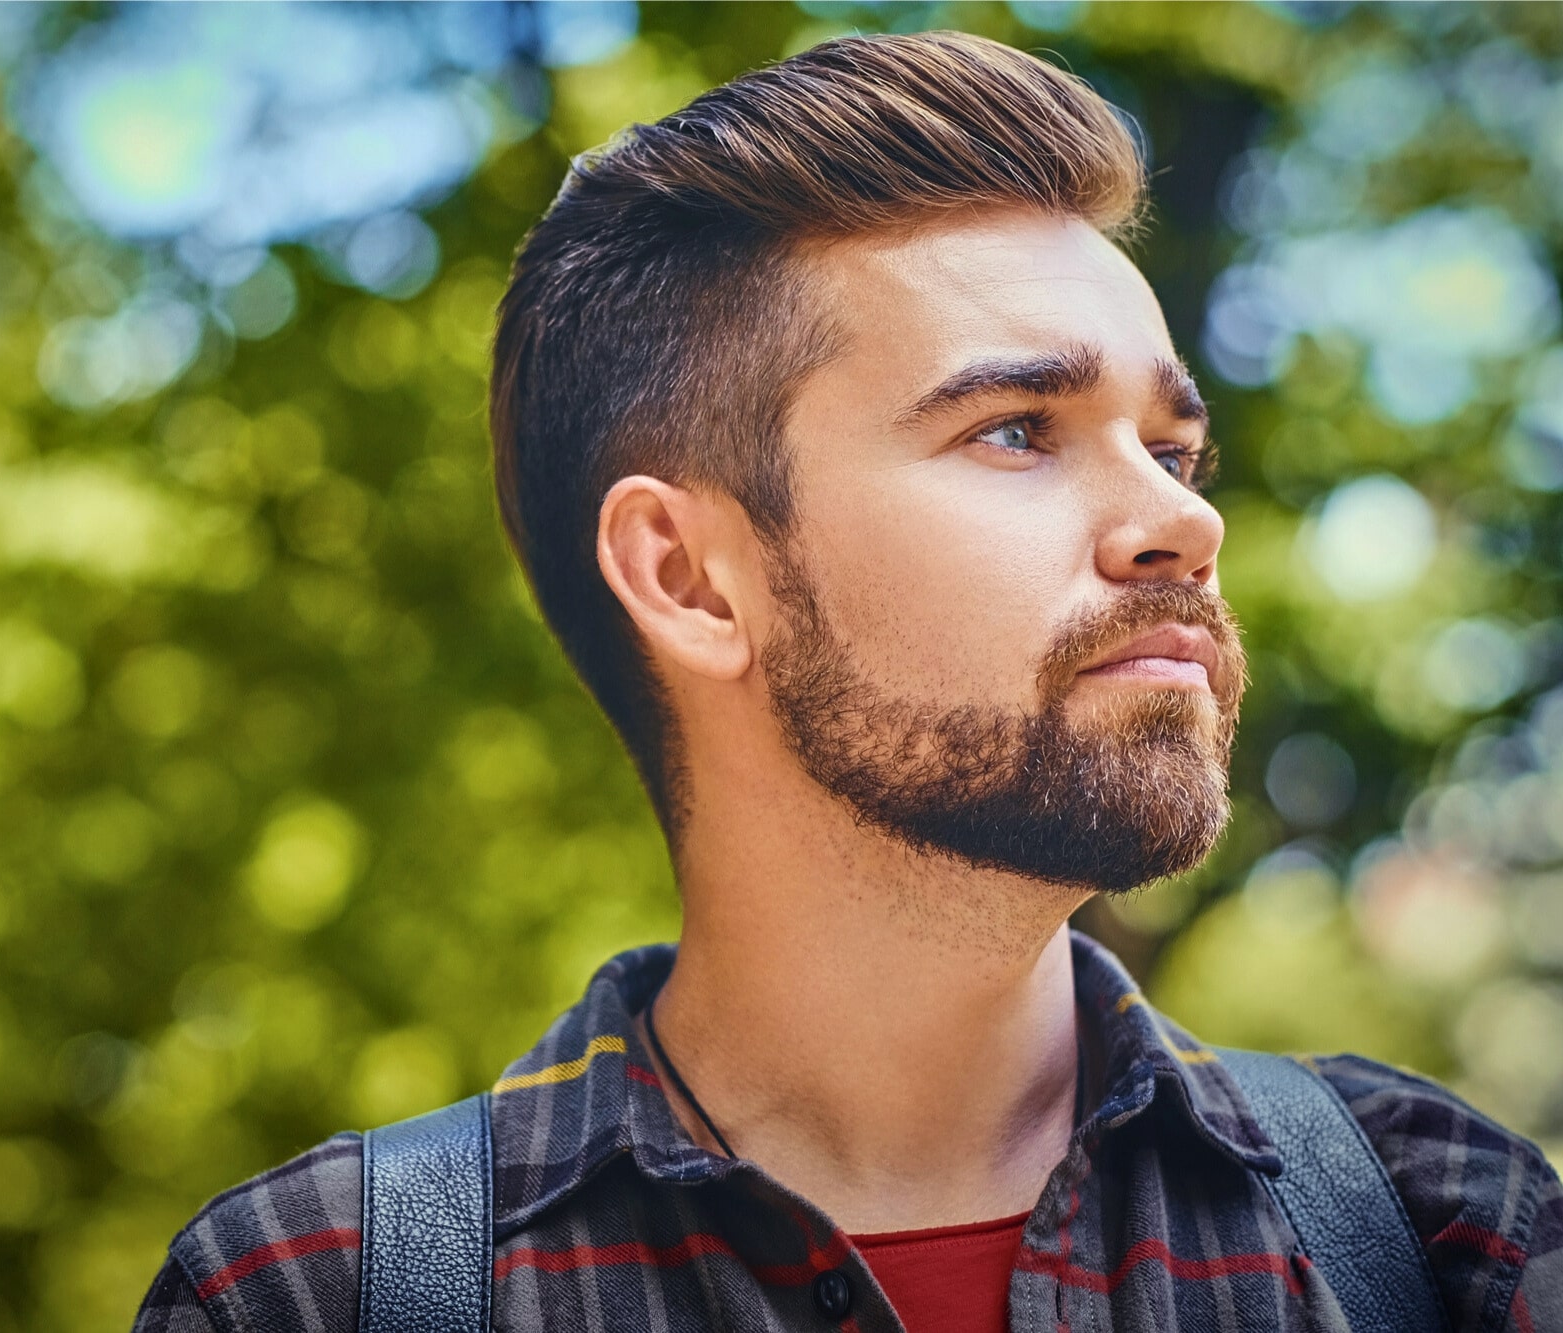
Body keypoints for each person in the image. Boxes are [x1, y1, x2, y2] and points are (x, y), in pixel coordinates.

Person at [133, 31, 1563, 1332]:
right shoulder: (312, 1297)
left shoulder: (1439, 1232)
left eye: (1172, 450)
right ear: (691, 578)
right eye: (1018, 429)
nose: (1185, 521)